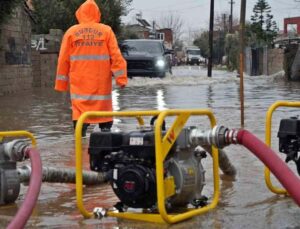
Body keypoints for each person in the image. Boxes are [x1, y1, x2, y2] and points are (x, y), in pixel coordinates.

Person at [55, 0, 127, 136]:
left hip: (79, 90)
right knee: (106, 132)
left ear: (80, 13)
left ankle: (79, 153)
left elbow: (63, 60)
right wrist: (121, 79)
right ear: (97, 14)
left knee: (79, 133)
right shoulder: (106, 31)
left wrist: (61, 85)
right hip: (101, 90)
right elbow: (116, 57)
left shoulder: (71, 32)